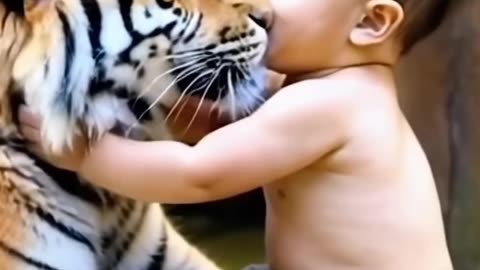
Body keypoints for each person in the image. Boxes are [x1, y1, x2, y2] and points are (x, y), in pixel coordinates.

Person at [19, 0, 454, 269]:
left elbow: (200, 174)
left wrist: (88, 158)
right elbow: (225, 129)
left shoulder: (334, 105)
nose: (261, 8)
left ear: (370, 23)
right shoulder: (314, 91)